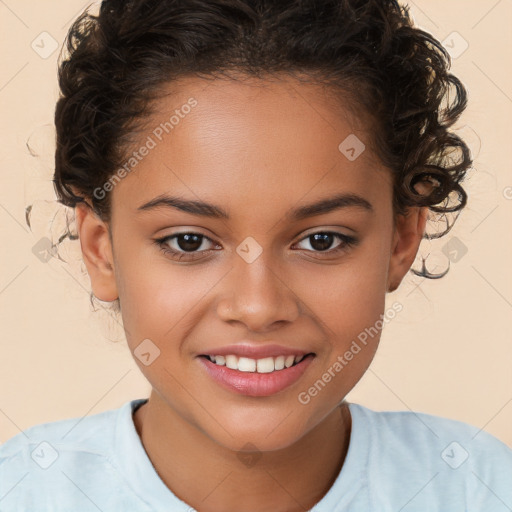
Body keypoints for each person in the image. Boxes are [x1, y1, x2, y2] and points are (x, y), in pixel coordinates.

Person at [1, 0, 511, 510]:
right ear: (101, 250)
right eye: (189, 241)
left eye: (322, 240)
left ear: (401, 239)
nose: (259, 307)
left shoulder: (479, 487)